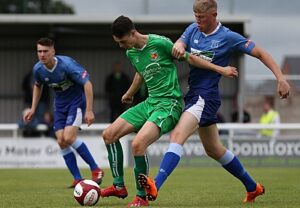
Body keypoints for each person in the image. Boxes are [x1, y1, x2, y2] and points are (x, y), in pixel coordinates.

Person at [138, 0, 290, 204]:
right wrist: (179, 46)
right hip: (194, 94)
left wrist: (280, 78)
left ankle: (156, 183)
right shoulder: (193, 29)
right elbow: (180, 43)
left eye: (201, 18)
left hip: (206, 96)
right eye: (195, 17)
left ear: (214, 15)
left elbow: (261, 53)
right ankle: (253, 187)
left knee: (178, 135)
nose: (197, 21)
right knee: (214, 149)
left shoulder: (227, 37)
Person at [100, 15, 238, 207]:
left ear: (133, 33)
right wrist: (129, 93)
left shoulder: (161, 43)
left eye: (122, 41)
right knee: (108, 135)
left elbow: (192, 59)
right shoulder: (131, 52)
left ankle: (141, 197)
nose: (121, 46)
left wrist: (220, 70)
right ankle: (118, 186)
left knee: (138, 144)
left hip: (169, 104)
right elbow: (141, 72)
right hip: (149, 103)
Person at [23, 37, 104, 188]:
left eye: (45, 51)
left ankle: (96, 169)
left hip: (76, 102)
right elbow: (38, 85)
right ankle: (78, 179)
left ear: (53, 51)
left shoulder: (67, 64)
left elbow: (87, 84)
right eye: (39, 51)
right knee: (61, 141)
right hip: (60, 105)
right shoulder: (38, 69)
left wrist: (90, 110)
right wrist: (33, 109)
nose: (42, 54)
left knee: (68, 137)